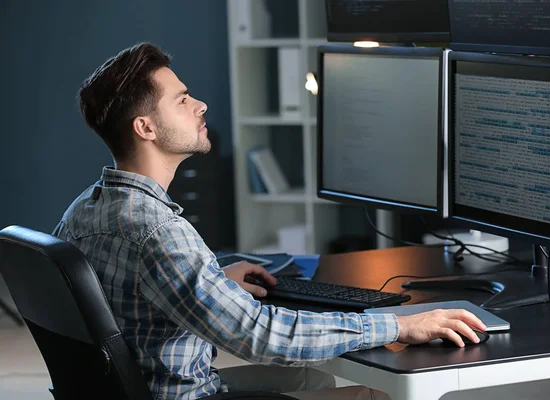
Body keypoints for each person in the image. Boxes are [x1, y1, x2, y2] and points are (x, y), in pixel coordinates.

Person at [53, 42, 486, 400]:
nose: (201, 105)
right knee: (375, 397)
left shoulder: (84, 209)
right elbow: (259, 337)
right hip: (182, 395)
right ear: (146, 128)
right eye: (183, 100)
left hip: (130, 391)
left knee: (309, 382)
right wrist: (401, 325)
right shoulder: (158, 232)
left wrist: (212, 281)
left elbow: (128, 293)